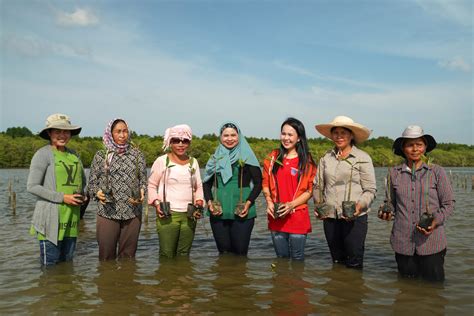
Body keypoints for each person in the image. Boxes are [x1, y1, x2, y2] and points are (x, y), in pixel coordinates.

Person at [378, 125, 454, 282]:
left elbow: (448, 204)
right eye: (409, 145)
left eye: (419, 144)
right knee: (406, 289)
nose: (415, 149)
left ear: (425, 147)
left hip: (432, 242)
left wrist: (435, 221)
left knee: (434, 288)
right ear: (403, 148)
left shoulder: (436, 172)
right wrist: (384, 212)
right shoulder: (394, 173)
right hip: (402, 241)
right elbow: (390, 203)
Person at [313, 115, 376, 269]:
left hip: (355, 218)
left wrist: (359, 206)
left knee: (354, 259)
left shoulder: (362, 158)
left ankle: (353, 289)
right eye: (336, 133)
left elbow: (370, 189)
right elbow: (318, 185)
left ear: (351, 135)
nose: (339, 136)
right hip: (330, 217)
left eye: (344, 132)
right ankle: (337, 290)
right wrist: (318, 205)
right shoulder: (325, 158)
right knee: (336, 260)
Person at [27, 113, 87, 265]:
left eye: (66, 131)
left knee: (66, 268)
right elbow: (32, 186)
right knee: (50, 271)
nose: (62, 135)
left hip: (72, 220)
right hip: (50, 221)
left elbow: (82, 183)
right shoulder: (42, 155)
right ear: (49, 133)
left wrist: (84, 196)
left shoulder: (74, 155)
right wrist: (63, 197)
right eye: (58, 131)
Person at [88, 119, 147, 260]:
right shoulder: (101, 155)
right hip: (108, 211)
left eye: (125, 131)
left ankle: (126, 281)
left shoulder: (137, 155)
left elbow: (144, 181)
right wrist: (97, 193)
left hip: (132, 212)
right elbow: (91, 184)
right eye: (118, 131)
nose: (122, 135)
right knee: (106, 257)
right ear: (111, 134)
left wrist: (143, 192)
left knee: (128, 258)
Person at [202, 122, 262, 255]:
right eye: (226, 135)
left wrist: (248, 203)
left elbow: (258, 183)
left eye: (233, 135)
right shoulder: (215, 158)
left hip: (242, 208)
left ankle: (239, 276)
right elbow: (206, 183)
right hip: (219, 209)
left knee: (240, 253)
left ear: (239, 136)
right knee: (223, 253)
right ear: (220, 137)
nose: (229, 139)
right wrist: (210, 202)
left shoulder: (247, 157)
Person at [262, 117, 317, 260]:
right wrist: (269, 202)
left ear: (299, 138)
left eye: (290, 135)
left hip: (297, 214)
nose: (286, 138)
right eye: (283, 134)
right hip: (277, 214)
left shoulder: (307, 160)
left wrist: (291, 204)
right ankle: (281, 282)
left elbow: (310, 190)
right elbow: (265, 184)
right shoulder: (273, 157)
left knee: (298, 257)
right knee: (281, 257)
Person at [148, 124, 204, 258]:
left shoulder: (193, 162)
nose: (180, 144)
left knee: (184, 254)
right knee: (167, 254)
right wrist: (156, 204)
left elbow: (199, 187)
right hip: (168, 215)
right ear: (170, 142)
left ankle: (183, 278)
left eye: (185, 141)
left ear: (189, 143)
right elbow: (151, 185)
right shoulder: (162, 161)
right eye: (176, 140)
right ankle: (167, 278)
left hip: (189, 216)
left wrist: (200, 203)